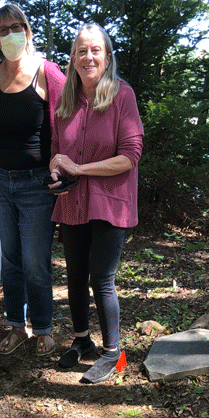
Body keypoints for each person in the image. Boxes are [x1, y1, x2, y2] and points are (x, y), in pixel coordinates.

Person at [49, 24, 143, 384]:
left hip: (111, 202)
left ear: (107, 57)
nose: (88, 57)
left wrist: (79, 168)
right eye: (82, 51)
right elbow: (57, 155)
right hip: (73, 201)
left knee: (100, 277)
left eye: (96, 50)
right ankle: (82, 341)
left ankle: (113, 353)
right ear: (73, 59)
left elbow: (130, 156)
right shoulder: (66, 102)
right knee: (73, 276)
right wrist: (57, 173)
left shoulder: (123, 97)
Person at [0, 4, 65, 356]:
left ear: (27, 31)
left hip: (36, 184)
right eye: (3, 30)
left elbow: (68, 123)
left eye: (17, 27)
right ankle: (16, 326)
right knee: (9, 261)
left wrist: (62, 172)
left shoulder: (48, 72)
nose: (11, 34)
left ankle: (43, 328)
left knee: (35, 261)